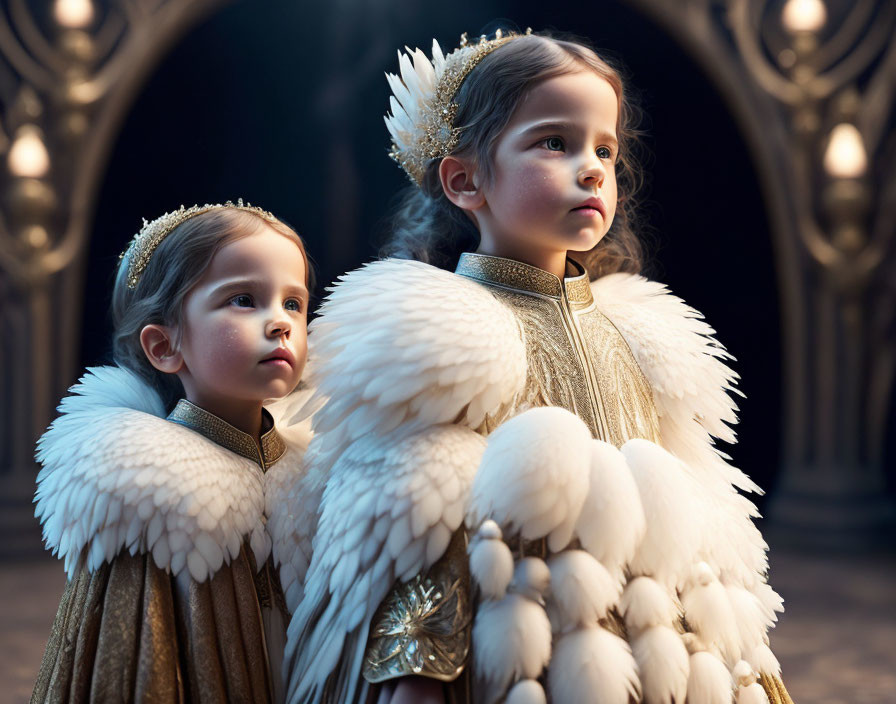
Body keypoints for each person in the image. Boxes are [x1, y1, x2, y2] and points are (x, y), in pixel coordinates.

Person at [281, 29, 794, 704]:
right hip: (517, 651)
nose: (591, 168)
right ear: (465, 180)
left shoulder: (641, 332)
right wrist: (419, 671)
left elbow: (696, 512)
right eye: (554, 142)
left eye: (604, 149)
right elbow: (428, 518)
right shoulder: (439, 339)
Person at [32, 201, 314, 703]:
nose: (280, 323)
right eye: (244, 299)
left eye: (293, 303)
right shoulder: (148, 493)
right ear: (165, 346)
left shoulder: (317, 468)